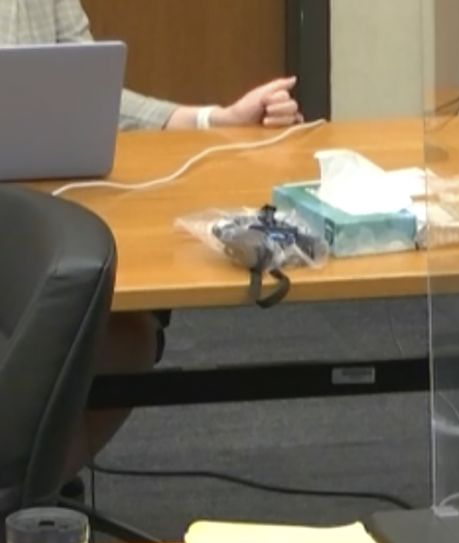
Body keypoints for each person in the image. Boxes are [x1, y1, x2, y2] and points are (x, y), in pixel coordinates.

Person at [1, 0, 304, 477]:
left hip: (33, 221)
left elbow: (88, 90)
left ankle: (27, 505)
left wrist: (213, 119)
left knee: (128, 334)